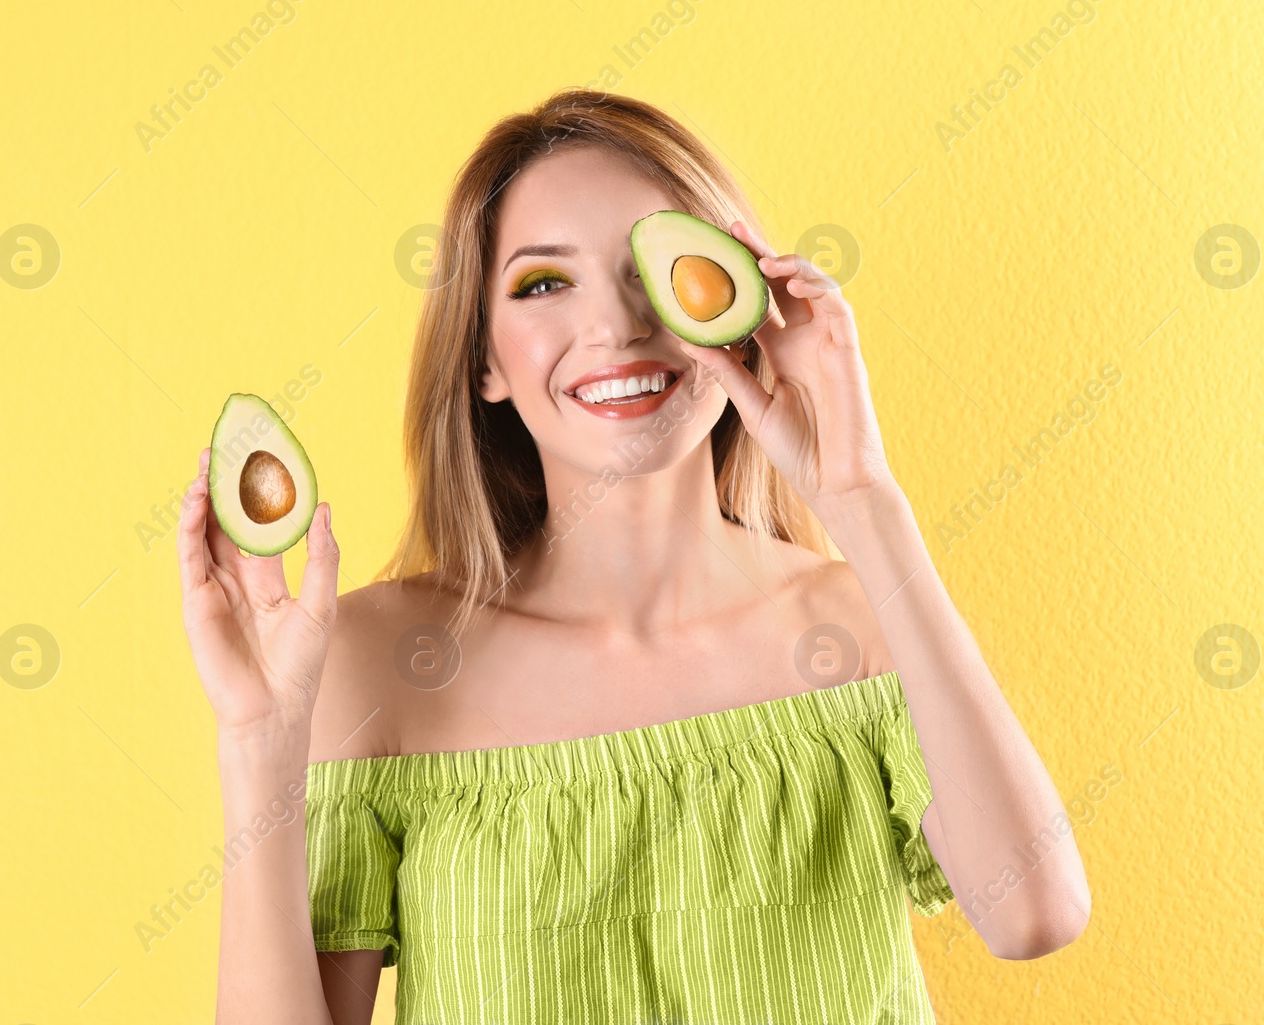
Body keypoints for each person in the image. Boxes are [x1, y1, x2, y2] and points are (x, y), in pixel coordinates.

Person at [178, 88, 1091, 1024]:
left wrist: (863, 502)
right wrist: (257, 742)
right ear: (484, 358)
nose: (616, 325)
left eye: (658, 268)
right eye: (542, 283)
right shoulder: (382, 663)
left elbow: (1036, 911)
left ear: (735, 304)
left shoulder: (857, 624)